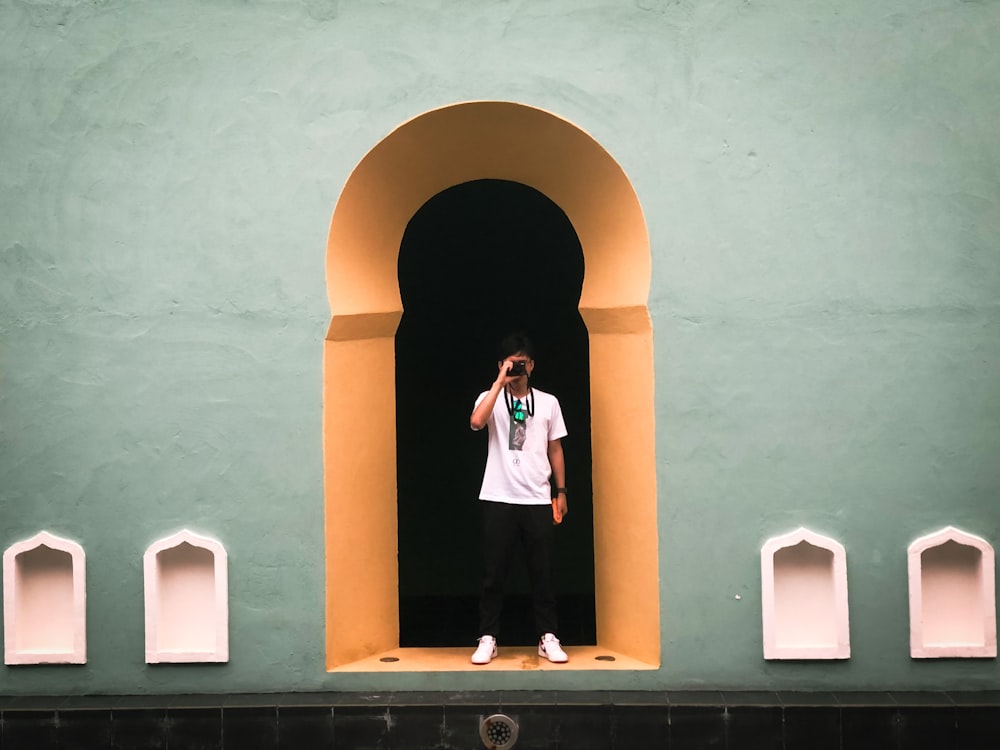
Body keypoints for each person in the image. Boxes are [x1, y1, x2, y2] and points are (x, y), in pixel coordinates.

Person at [468, 333, 569, 665]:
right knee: (493, 573)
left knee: (542, 572)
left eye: (522, 363)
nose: (517, 368)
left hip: (537, 497)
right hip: (499, 495)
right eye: (511, 363)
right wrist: (499, 382)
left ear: (533, 365)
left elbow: (556, 448)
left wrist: (561, 491)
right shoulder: (490, 397)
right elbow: (476, 422)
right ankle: (488, 637)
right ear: (501, 365)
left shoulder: (549, 402)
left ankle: (547, 636)